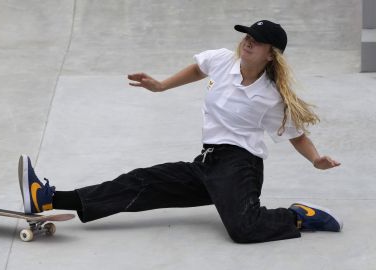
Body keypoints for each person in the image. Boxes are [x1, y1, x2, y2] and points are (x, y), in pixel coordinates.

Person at [18, 20, 343, 243]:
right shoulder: (221, 61)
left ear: (270, 53)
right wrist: (161, 85)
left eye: (256, 42)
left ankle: (297, 216)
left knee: (244, 229)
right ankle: (47, 199)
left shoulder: (271, 95)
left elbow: (296, 134)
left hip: (240, 166)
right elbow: (198, 68)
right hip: (207, 163)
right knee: (141, 182)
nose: (247, 42)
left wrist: (315, 160)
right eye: (247, 36)